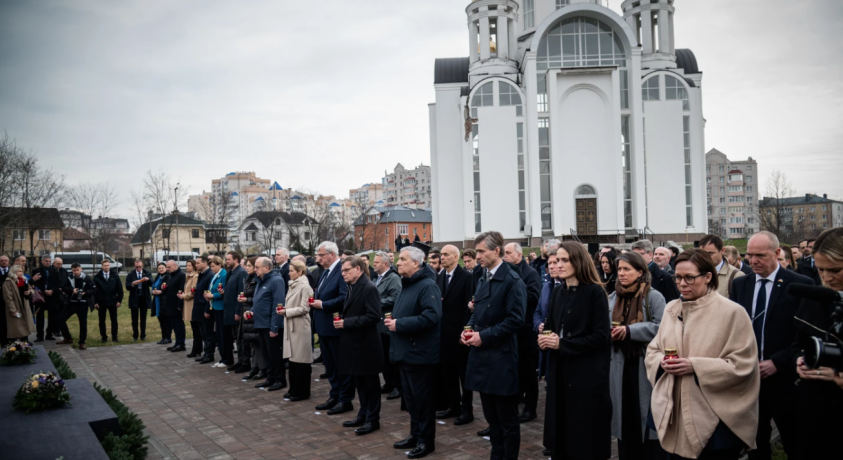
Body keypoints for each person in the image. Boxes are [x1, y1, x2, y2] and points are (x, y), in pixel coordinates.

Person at [646, 248, 760, 460]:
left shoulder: (732, 312)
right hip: (675, 411)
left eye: (689, 277)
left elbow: (743, 364)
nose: (681, 284)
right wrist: (662, 361)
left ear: (708, 277)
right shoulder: (672, 308)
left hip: (716, 416)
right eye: (677, 277)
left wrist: (695, 366)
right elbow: (653, 349)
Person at [729, 231, 813, 460]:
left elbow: (805, 335)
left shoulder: (800, 284)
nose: (753, 261)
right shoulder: (740, 285)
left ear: (777, 253)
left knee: (794, 442)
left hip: (786, 379)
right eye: (749, 255)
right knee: (755, 444)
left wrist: (777, 361)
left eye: (760, 256)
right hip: (749, 378)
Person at [538, 241, 611, 460]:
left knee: (584, 434)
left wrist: (562, 344)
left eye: (564, 260)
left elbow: (601, 337)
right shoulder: (558, 291)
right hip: (559, 371)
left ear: (578, 261)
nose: (558, 265)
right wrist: (544, 339)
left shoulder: (595, 292)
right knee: (561, 429)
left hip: (586, 375)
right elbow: (551, 326)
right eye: (556, 260)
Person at [461, 232, 526, 460]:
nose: (477, 255)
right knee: (491, 417)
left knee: (507, 420)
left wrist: (483, 336)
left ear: (496, 251)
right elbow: (477, 311)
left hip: (501, 358)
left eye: (481, 251)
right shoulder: (483, 276)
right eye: (476, 251)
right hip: (482, 357)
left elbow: (516, 320)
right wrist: (468, 329)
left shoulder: (512, 280)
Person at [790, 227, 843, 458]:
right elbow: (796, 344)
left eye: (835, 270)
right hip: (815, 410)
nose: (827, 277)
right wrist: (800, 360)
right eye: (821, 269)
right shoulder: (815, 298)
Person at [608, 252, 666, 459]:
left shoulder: (653, 296)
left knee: (646, 415)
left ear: (640, 272)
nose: (621, 274)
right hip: (619, 364)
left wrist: (632, 331)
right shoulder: (613, 296)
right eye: (619, 269)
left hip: (644, 364)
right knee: (624, 417)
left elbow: (662, 328)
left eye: (627, 269)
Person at [387, 245, 441, 459]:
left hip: (420, 355)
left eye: (402, 259)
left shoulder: (427, 286)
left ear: (416, 263)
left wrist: (399, 324)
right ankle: (415, 434)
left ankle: (426, 441)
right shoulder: (407, 284)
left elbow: (431, 316)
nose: (398, 263)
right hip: (406, 352)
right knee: (410, 400)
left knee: (422, 401)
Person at [334, 256, 383, 435]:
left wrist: (347, 322)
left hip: (366, 346)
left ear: (358, 269)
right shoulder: (352, 286)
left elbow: (373, 316)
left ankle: (373, 419)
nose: (343, 274)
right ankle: (363, 414)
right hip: (355, 345)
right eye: (342, 271)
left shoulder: (369, 288)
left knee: (370, 384)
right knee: (360, 383)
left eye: (346, 270)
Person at [310, 242, 354, 415]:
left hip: (335, 327)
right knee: (329, 366)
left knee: (340, 365)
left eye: (321, 255)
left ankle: (345, 399)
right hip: (323, 326)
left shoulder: (340, 271)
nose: (318, 258)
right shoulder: (325, 272)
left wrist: (323, 304)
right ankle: (334, 395)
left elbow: (344, 298)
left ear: (331, 254)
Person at [434, 245, 474, 425]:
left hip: (459, 333)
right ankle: (452, 405)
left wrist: (465, 331)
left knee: (463, 374)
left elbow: (469, 307)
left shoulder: (466, 277)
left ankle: (467, 410)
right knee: (447, 373)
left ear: (456, 257)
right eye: (441, 254)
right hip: (443, 333)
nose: (442, 257)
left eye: (446, 254)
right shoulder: (439, 276)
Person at [502, 242, 541, 424]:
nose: (505, 256)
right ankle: (517, 396)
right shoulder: (506, 272)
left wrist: (515, 294)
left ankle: (530, 407)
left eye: (508, 253)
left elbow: (534, 297)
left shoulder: (530, 273)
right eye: (504, 253)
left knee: (528, 371)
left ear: (519, 255)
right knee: (514, 368)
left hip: (526, 330)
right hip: (512, 330)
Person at [251, 257, 287, 391]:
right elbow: (260, 300)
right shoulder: (260, 280)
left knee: (275, 354)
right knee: (266, 353)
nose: (255, 269)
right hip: (260, 323)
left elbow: (278, 305)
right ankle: (270, 377)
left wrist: (274, 327)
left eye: (257, 267)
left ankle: (280, 379)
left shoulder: (276, 280)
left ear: (266, 268)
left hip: (270, 325)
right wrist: (252, 311)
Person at [282, 259, 313, 400]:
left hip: (300, 327)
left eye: (292, 271)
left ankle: (302, 391)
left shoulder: (305, 286)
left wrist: (286, 311)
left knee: (301, 360)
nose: (289, 273)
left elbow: (305, 308)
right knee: (293, 360)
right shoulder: (293, 285)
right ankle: (293, 388)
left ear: (300, 272)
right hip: (291, 325)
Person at [373, 251, 402, 400]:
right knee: (383, 356)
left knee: (391, 357)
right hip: (378, 324)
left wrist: (376, 303)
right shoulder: (377, 278)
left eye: (376, 262)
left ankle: (398, 386)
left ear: (385, 264)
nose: (373, 264)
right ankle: (389, 383)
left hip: (387, 324)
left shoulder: (393, 278)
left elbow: (396, 298)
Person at [533, 251, 560, 383]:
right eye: (549, 263)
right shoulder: (546, 286)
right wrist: (538, 325)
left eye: (555, 262)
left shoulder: (568, 288)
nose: (552, 266)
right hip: (547, 346)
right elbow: (537, 312)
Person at [238, 257, 265, 378]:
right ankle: (254, 367)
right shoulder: (248, 279)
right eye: (246, 265)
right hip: (248, 312)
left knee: (257, 343)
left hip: (255, 313)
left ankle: (261, 368)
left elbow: (259, 298)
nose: (246, 267)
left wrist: (247, 299)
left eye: (249, 265)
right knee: (252, 343)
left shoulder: (258, 280)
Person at [57, 263, 95, 349]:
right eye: (74, 270)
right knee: (60, 319)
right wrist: (72, 290)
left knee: (83, 324)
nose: (76, 272)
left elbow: (94, 289)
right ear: (72, 270)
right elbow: (63, 288)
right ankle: (67, 338)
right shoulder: (69, 278)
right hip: (71, 303)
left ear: (81, 269)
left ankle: (82, 342)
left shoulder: (87, 278)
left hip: (83, 303)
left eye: (77, 270)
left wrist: (85, 293)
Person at [222, 251, 247, 369]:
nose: (226, 262)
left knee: (239, 337)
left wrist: (238, 311)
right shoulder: (231, 273)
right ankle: (239, 362)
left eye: (228, 259)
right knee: (235, 338)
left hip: (235, 311)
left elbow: (241, 293)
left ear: (236, 260)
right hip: (228, 310)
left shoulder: (241, 273)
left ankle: (243, 362)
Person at [699, 234, 745, 298]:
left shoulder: (736, 275)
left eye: (710, 253)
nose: (705, 257)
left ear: (722, 250)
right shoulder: (695, 272)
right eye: (702, 254)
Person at [193, 256, 216, 363]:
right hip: (199, 307)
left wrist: (207, 310)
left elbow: (208, 294)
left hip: (204, 308)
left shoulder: (209, 275)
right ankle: (206, 353)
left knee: (208, 333)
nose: (196, 265)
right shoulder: (202, 275)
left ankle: (209, 354)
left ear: (204, 263)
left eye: (198, 263)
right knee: (203, 332)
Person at [205, 256, 227, 367]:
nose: (211, 268)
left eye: (213, 266)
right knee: (218, 333)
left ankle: (225, 358)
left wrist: (213, 295)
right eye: (210, 266)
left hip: (221, 307)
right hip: (215, 306)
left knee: (222, 334)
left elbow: (224, 291)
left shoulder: (223, 274)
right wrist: (209, 296)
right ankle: (222, 358)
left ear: (219, 265)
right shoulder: (215, 275)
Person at [94, 259, 123, 344]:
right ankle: (104, 337)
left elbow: (120, 289)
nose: (106, 267)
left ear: (110, 266)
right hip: (101, 302)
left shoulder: (115, 276)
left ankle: (114, 337)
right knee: (102, 320)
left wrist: (119, 300)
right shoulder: (97, 277)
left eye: (108, 265)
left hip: (113, 301)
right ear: (102, 266)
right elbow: (94, 291)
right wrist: (95, 302)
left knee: (114, 320)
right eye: (105, 265)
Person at [3, 264, 34, 341]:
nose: (22, 273)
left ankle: (25, 341)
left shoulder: (24, 280)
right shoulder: (8, 282)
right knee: (16, 326)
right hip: (16, 306)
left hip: (24, 305)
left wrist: (29, 292)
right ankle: (14, 344)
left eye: (22, 271)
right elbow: (8, 298)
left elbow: (31, 289)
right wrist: (13, 310)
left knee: (25, 324)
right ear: (14, 272)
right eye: (19, 271)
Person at [163, 260, 186, 352]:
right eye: (167, 267)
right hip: (170, 304)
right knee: (173, 325)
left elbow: (181, 289)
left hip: (177, 304)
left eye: (169, 267)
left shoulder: (181, 275)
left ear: (175, 265)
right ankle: (177, 343)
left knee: (178, 325)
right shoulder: (170, 275)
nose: (167, 269)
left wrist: (179, 304)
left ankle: (181, 343)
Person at [125, 259, 152, 341]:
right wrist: (133, 284)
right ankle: (135, 335)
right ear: (134, 266)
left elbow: (152, 282)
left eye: (140, 267)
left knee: (143, 318)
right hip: (134, 298)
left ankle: (143, 335)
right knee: (134, 319)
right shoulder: (131, 274)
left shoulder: (147, 273)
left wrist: (148, 279)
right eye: (137, 267)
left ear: (142, 266)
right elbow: (127, 286)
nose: (138, 268)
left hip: (144, 298)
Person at [180, 260, 200, 357]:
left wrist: (184, 296)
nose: (187, 267)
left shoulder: (195, 276)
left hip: (192, 305)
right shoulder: (188, 276)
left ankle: (196, 349)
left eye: (189, 265)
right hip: (188, 304)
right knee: (194, 328)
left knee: (196, 329)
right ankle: (197, 349)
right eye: (186, 265)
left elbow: (193, 291)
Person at [31, 255, 53, 341]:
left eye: (49, 261)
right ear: (42, 261)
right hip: (40, 296)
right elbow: (34, 283)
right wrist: (44, 290)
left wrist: (52, 290)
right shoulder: (36, 271)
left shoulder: (53, 270)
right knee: (40, 316)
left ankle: (49, 334)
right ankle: (40, 335)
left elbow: (56, 282)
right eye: (46, 261)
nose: (48, 263)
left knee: (52, 316)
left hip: (51, 296)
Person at [151, 262, 171, 344]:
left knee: (166, 321)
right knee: (161, 321)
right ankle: (163, 337)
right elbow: (153, 286)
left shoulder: (168, 277)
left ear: (166, 268)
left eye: (162, 268)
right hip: (157, 301)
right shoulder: (158, 276)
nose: (161, 269)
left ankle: (168, 338)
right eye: (159, 268)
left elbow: (168, 289)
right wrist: (153, 291)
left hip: (165, 302)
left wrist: (161, 292)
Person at [49, 257, 69, 340]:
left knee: (61, 314)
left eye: (61, 264)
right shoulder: (51, 271)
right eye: (58, 264)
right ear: (54, 263)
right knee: (53, 314)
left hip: (62, 295)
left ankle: (59, 329)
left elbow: (66, 281)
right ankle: (51, 331)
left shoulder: (64, 271)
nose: (60, 265)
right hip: (53, 295)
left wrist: (65, 290)